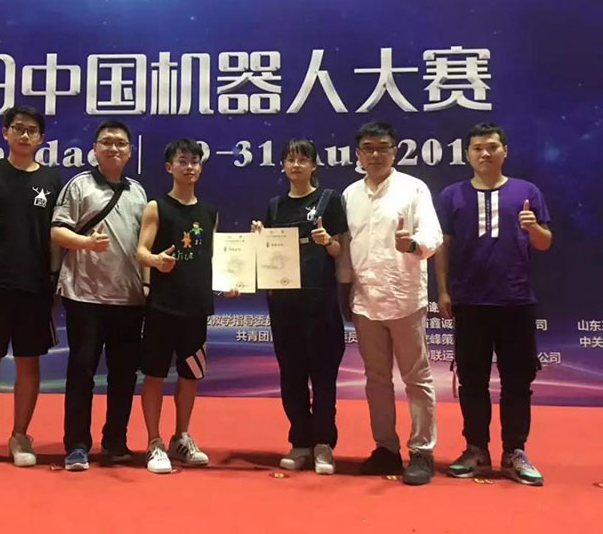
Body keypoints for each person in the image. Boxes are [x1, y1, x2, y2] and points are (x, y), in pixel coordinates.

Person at [435, 122, 552, 486]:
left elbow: (545, 243)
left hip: (516, 301)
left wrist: (533, 227)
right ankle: (476, 449)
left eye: (491, 147)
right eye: (477, 148)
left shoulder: (527, 192)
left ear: (505, 151)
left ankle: (515, 451)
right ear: (467, 155)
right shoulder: (452, 195)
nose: (484, 153)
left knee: (518, 381)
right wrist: (443, 291)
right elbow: (443, 247)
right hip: (469, 302)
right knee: (472, 381)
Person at [338, 121, 442, 485]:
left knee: (417, 378)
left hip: (405, 298)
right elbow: (346, 247)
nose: (376, 154)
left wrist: (411, 244)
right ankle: (385, 449)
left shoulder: (414, 188)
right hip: (365, 300)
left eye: (383, 147)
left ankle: (422, 452)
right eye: (368, 148)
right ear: (358, 154)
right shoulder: (350, 194)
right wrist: (345, 289)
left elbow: (433, 235)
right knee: (376, 380)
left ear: (395, 152)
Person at [0, 105, 63, 469]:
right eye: (18, 128)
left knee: (28, 362)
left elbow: (57, 234)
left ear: (41, 138)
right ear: (5, 133)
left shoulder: (52, 180)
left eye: (32, 130)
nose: (24, 135)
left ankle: (20, 435)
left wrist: (55, 278)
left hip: (35, 285)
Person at [50, 120, 147, 471]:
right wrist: (86, 243)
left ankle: (115, 441)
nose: (113, 148)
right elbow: (57, 231)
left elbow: (145, 245)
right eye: (106, 142)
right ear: (94, 149)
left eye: (120, 143)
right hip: (85, 295)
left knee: (124, 375)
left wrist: (147, 286)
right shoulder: (79, 185)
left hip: (129, 299)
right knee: (81, 371)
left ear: (130, 151)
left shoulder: (138, 193)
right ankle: (77, 444)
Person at [136, 138, 236, 474]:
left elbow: (216, 260)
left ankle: (181, 436)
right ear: (169, 167)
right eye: (182, 161)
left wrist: (228, 285)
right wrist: (155, 261)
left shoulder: (210, 213)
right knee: (154, 375)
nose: (189, 166)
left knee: (190, 375)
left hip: (196, 309)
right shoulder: (156, 207)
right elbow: (140, 251)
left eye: (195, 161)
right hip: (162, 307)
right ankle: (154, 441)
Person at [250, 139, 347, 475]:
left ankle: (323, 444)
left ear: (314, 165)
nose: (296, 165)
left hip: (320, 303)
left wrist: (328, 241)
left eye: (303, 160)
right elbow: (267, 256)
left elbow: (340, 250)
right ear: (282, 166)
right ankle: (300, 442)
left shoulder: (329, 200)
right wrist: (260, 238)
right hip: (284, 306)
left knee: (323, 377)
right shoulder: (275, 206)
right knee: (291, 376)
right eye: (290, 160)